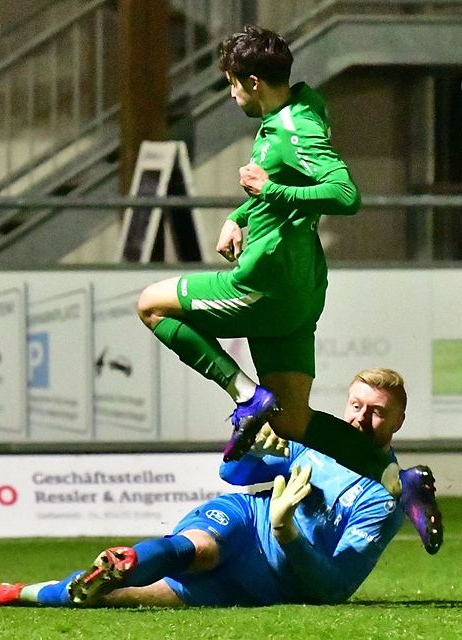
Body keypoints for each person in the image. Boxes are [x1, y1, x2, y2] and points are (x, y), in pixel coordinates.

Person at [133, 25, 440, 551]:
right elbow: (291, 186)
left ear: (253, 81)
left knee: (151, 306)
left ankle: (244, 394)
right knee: (294, 422)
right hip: (301, 287)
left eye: (232, 84)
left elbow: (345, 194)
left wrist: (266, 188)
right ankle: (398, 480)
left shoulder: (293, 126)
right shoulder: (306, 104)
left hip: (265, 283)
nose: (231, 94)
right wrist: (243, 213)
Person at [0, 368, 440, 608]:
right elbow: (232, 476)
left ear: (399, 420)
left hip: (270, 581)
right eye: (356, 405)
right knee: (194, 548)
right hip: (243, 522)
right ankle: (131, 558)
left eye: (376, 411)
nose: (360, 418)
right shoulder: (315, 444)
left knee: (113, 597)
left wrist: (288, 533)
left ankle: (24, 592)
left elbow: (332, 588)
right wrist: (248, 446)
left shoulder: (384, 502)